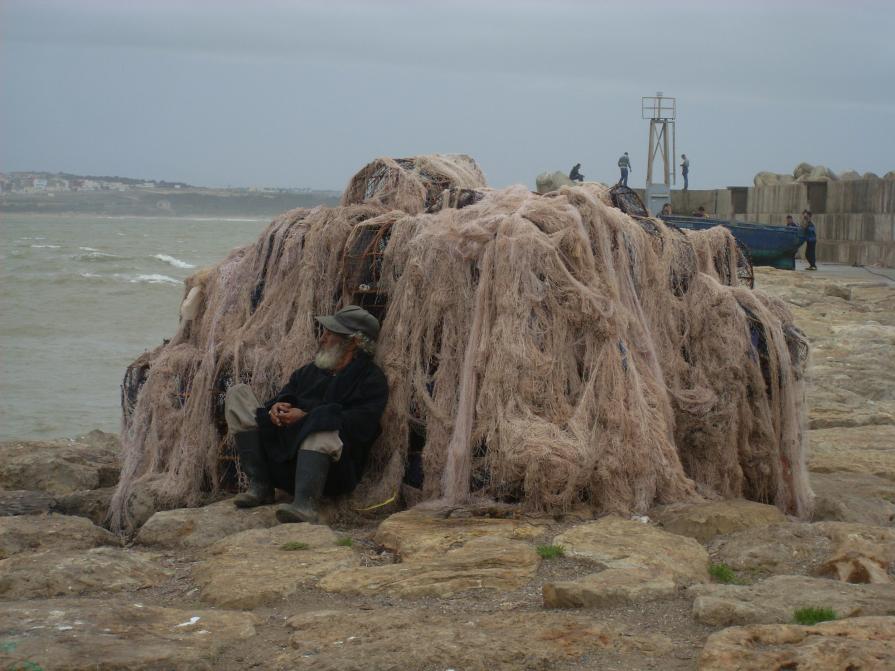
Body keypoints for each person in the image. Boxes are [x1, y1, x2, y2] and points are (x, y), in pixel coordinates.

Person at [224, 305, 389, 524]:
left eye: (330, 334)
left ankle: (305, 505)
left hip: (329, 474)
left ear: (353, 342)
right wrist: (276, 408)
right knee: (238, 395)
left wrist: (307, 417)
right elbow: (288, 393)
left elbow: (361, 425)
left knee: (324, 428)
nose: (322, 338)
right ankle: (261, 486)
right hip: (282, 459)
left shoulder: (371, 380)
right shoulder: (311, 370)